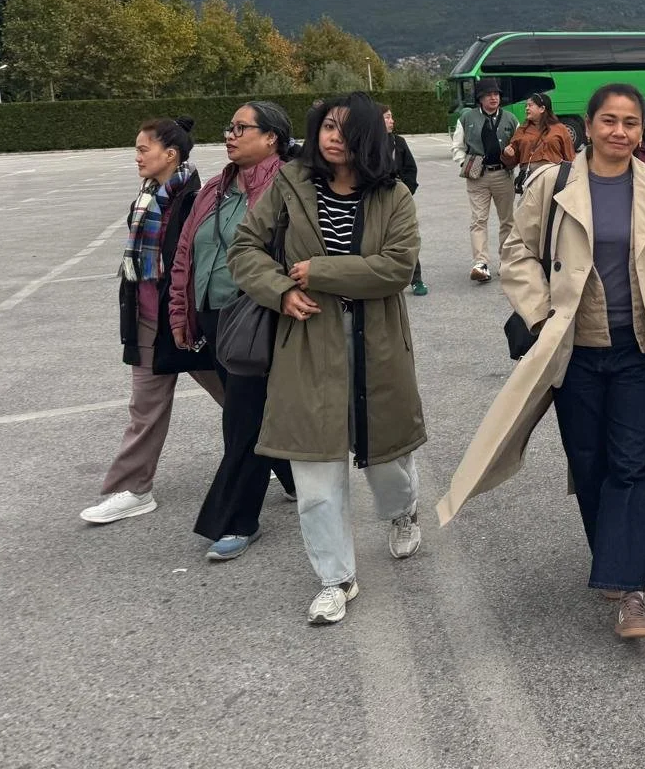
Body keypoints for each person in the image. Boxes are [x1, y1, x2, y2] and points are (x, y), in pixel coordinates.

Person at [437, 84, 645, 641]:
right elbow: (516, 249)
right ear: (587, 126)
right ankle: (614, 558)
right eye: (609, 121)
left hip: (643, 349)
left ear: (642, 130)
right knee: (589, 462)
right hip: (574, 349)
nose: (620, 132)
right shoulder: (553, 183)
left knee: (633, 463)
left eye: (631, 123)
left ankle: (631, 590)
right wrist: (542, 314)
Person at [230, 92, 426, 625]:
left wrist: (318, 273)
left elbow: (396, 268)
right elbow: (245, 247)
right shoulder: (290, 184)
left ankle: (403, 511)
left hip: (377, 343)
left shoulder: (394, 195)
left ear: (369, 138)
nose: (333, 136)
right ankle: (335, 578)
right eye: (327, 126)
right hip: (307, 340)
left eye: (346, 128)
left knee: (388, 462)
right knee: (315, 470)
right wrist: (280, 290)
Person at [168, 102, 299, 558]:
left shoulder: (287, 185)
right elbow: (186, 253)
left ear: (272, 139)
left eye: (242, 128)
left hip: (257, 314)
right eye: (229, 127)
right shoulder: (213, 189)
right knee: (251, 410)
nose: (230, 134)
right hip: (213, 315)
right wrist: (181, 313)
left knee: (241, 420)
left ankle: (237, 519)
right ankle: (294, 477)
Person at [82, 118, 226, 525]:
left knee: (237, 397)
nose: (137, 156)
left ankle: (281, 464)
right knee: (144, 408)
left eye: (144, 149)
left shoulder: (197, 200)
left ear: (171, 154)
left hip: (187, 323)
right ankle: (133, 489)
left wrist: (192, 316)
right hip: (149, 322)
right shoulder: (145, 198)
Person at [451, 78, 519, 282]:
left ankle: (506, 262)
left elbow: (520, 145)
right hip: (477, 176)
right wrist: (465, 165)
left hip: (503, 174)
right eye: (489, 94)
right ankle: (480, 263)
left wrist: (513, 155)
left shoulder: (511, 119)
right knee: (478, 220)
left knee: (507, 220)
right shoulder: (466, 118)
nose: (493, 97)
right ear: (480, 98)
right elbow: (457, 146)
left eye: (496, 94)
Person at [382, 103, 426, 296]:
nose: (392, 121)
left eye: (391, 117)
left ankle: (416, 279)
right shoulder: (365, 144)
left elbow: (410, 169)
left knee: (407, 236)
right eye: (387, 117)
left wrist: (406, 192)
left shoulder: (398, 142)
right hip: (376, 198)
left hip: (399, 197)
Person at [502, 91, 575, 189]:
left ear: (542, 109)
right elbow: (511, 162)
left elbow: (570, 158)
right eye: (526, 106)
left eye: (530, 105)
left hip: (553, 180)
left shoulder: (560, 129)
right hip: (529, 181)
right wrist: (507, 154)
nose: (527, 108)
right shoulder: (522, 130)